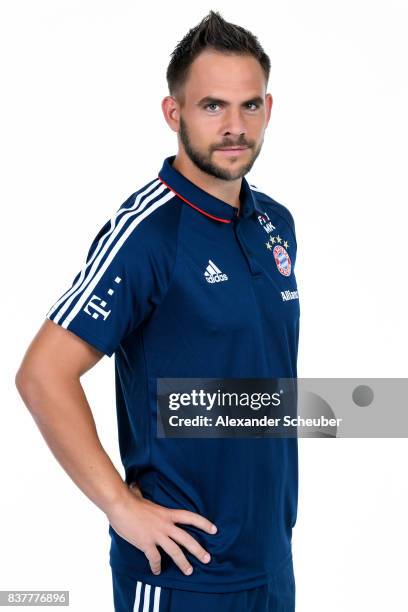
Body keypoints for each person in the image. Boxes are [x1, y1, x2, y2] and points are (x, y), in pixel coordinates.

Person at [15, 10, 300, 612]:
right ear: (174, 114)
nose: (234, 127)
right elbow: (42, 374)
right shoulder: (148, 234)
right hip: (178, 572)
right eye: (212, 106)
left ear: (269, 110)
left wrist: (373, 406)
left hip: (271, 564)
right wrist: (122, 509)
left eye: (249, 106)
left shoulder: (276, 223)